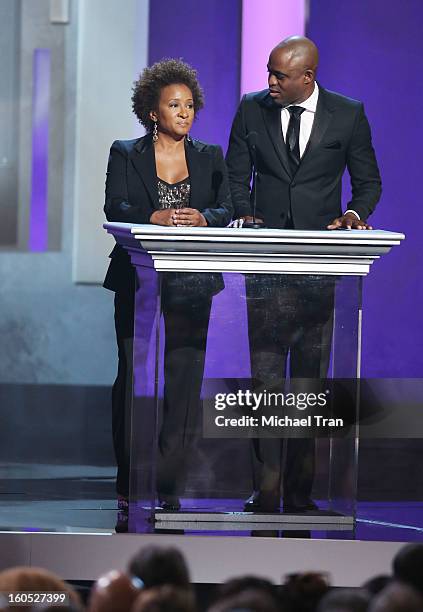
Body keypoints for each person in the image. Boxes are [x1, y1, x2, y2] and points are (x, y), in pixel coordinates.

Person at [226, 36, 382, 512]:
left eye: (279, 75)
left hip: (319, 267)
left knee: (309, 385)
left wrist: (354, 215)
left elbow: (368, 182)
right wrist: (244, 214)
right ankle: (265, 487)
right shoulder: (252, 110)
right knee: (265, 381)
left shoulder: (347, 113)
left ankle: (299, 491)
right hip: (266, 264)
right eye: (268, 73)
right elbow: (236, 177)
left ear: (307, 77)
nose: (269, 82)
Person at [104, 59, 232, 513]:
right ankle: (131, 477)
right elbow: (115, 204)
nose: (185, 112)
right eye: (174, 105)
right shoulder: (126, 152)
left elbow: (227, 206)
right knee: (132, 376)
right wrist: (152, 216)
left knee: (184, 380)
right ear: (153, 112)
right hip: (138, 276)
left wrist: (204, 217)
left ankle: (168, 479)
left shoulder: (209, 156)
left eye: (190, 105)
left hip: (192, 278)